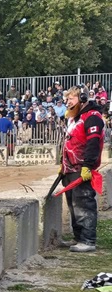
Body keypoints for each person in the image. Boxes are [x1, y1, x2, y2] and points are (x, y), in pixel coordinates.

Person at [60, 86, 104, 252]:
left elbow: (93, 144)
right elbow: (67, 142)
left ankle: (88, 240)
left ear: (83, 99)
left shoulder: (92, 117)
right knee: (72, 204)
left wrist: (87, 166)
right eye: (67, 99)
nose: (67, 102)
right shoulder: (73, 118)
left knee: (84, 203)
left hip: (82, 168)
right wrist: (62, 164)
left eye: (71, 99)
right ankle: (78, 238)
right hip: (69, 169)